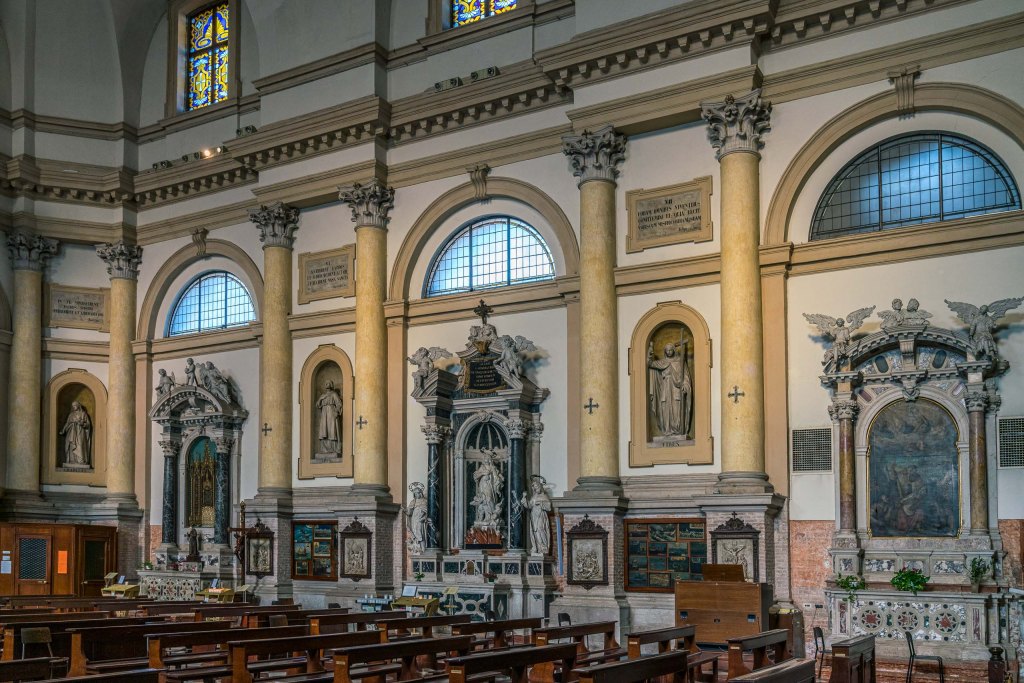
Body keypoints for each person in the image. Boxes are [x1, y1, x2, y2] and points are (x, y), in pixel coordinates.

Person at [647, 341, 693, 437]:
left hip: (676, 389)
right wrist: (650, 351)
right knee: (665, 408)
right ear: (665, 352)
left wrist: (685, 385)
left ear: (674, 350)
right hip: (665, 388)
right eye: (667, 350)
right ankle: (667, 430)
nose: (669, 352)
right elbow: (649, 363)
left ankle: (678, 430)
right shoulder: (662, 362)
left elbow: (686, 376)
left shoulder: (680, 362)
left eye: (670, 350)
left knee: (676, 409)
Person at [521, 477, 552, 555]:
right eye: (534, 487)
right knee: (534, 531)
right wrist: (524, 498)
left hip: (541, 515)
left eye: (537, 486)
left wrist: (541, 504)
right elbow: (529, 505)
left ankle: (544, 547)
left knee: (540, 530)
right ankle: (537, 547)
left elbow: (549, 507)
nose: (536, 488)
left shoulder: (544, 496)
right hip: (534, 516)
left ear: (540, 487)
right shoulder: (533, 497)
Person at [60, 401, 92, 467]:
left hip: (80, 432)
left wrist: (82, 423)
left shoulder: (83, 414)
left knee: (80, 445)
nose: (74, 407)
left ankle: (81, 461)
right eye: (73, 406)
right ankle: (72, 460)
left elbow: (88, 424)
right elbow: (67, 423)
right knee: (72, 445)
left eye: (75, 405)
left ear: (78, 405)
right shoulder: (71, 415)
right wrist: (63, 430)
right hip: (71, 432)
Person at [316, 381, 342, 456]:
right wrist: (320, 399)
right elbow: (317, 405)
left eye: (328, 383)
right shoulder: (323, 395)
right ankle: (324, 449)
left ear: (331, 385)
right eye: (326, 383)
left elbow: (339, 403)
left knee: (331, 430)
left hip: (331, 412)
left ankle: (333, 448)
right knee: (324, 430)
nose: (327, 384)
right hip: (324, 413)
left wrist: (336, 411)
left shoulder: (334, 394)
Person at [404, 483, 428, 554]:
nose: (416, 495)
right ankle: (417, 549)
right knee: (415, 533)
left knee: (420, 534)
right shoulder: (413, 502)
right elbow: (409, 513)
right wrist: (405, 511)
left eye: (417, 493)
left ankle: (423, 549)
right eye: (415, 494)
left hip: (420, 520)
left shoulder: (425, 501)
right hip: (414, 520)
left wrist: (424, 517)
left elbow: (428, 512)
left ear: (420, 493)